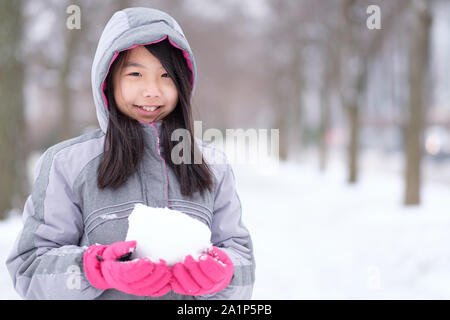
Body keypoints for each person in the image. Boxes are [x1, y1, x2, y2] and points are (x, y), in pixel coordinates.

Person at [6, 7, 255, 300]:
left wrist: (222, 276)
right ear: (108, 79)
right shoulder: (67, 164)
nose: (152, 90)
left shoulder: (212, 165)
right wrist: (94, 269)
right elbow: (29, 267)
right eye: (135, 74)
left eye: (166, 76)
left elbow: (243, 267)